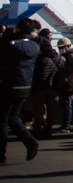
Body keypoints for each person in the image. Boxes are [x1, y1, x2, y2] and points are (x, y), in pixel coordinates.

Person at [0, 18, 42, 163]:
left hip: (8, 84)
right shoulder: (34, 46)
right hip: (25, 84)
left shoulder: (10, 45)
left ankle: (2, 152)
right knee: (13, 117)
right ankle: (29, 141)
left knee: (3, 119)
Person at [28, 32, 64, 139]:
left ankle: (37, 129)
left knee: (39, 109)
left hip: (41, 87)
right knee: (51, 109)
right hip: (53, 87)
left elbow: (35, 73)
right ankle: (48, 128)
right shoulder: (59, 58)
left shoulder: (41, 59)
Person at [56, 39, 73, 133]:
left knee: (66, 104)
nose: (60, 50)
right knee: (67, 104)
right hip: (70, 82)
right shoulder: (72, 54)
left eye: (62, 48)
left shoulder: (70, 56)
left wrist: (65, 73)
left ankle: (66, 125)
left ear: (68, 46)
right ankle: (66, 124)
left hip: (68, 83)